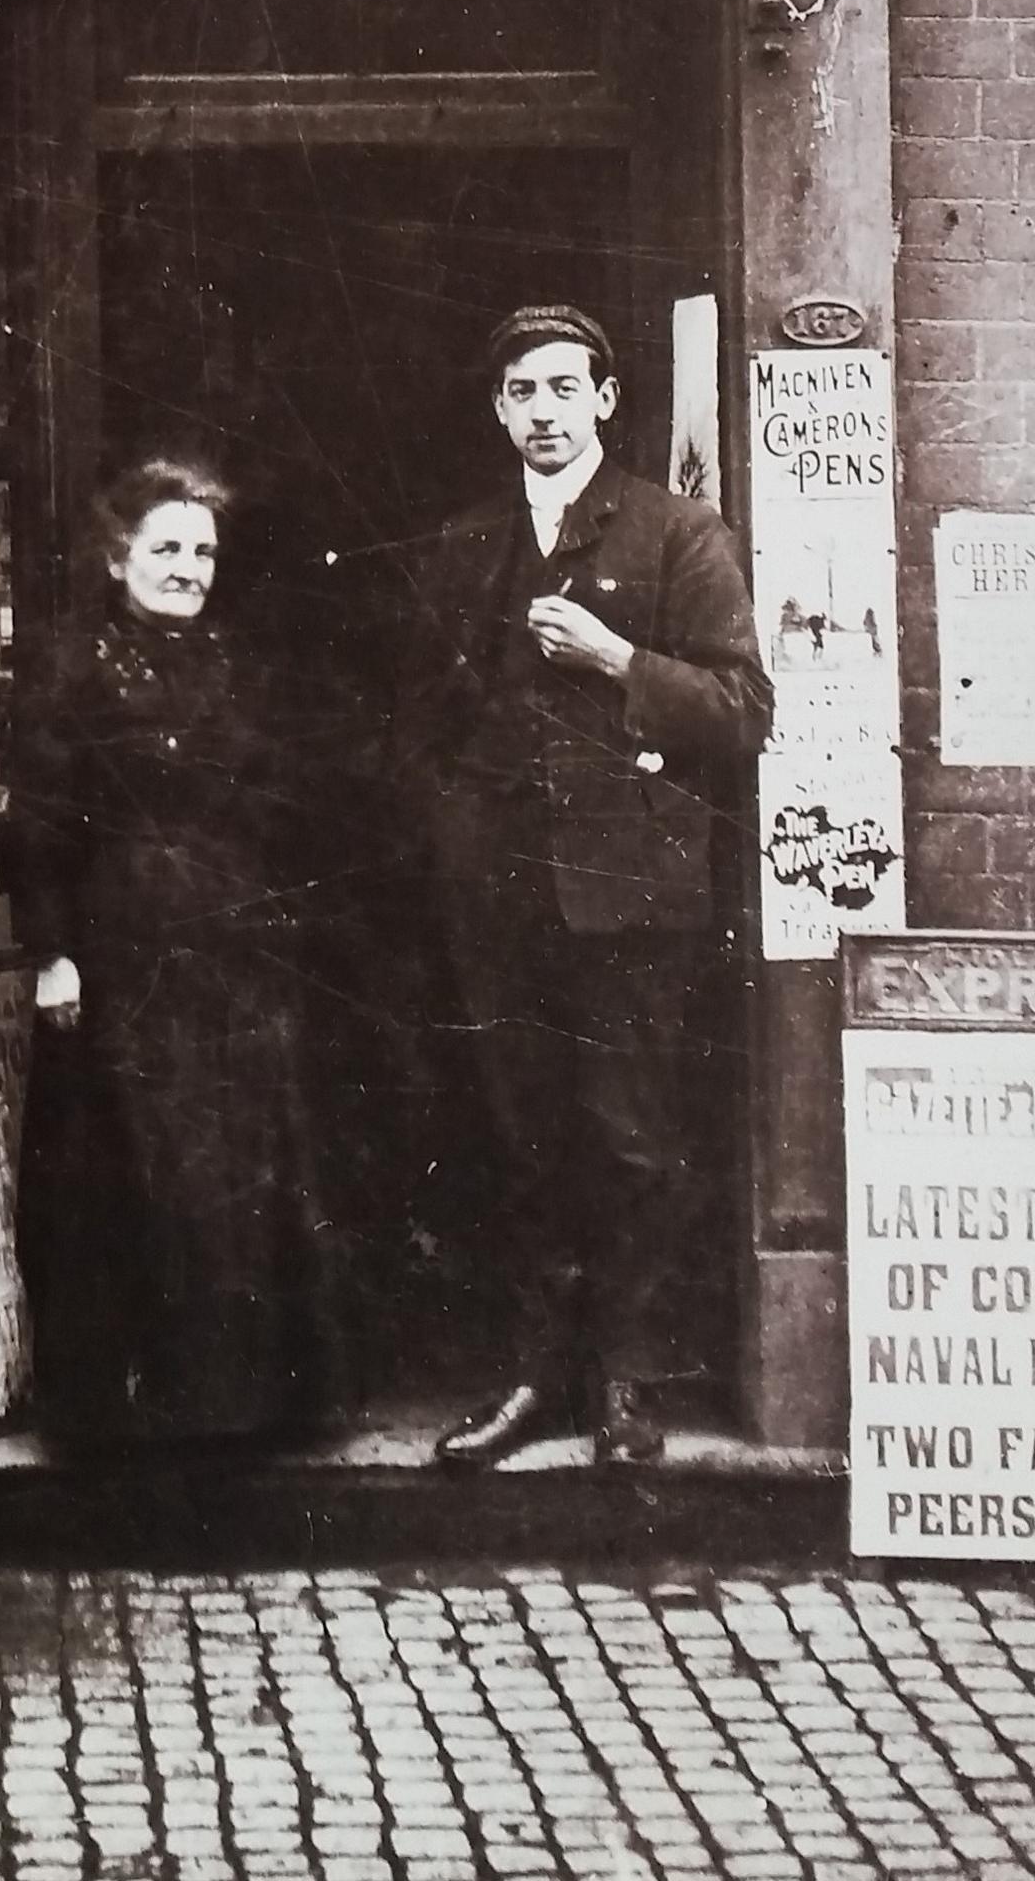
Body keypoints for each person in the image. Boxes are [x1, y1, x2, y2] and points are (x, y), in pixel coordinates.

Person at [403, 304, 770, 1469]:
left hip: (628, 896)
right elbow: (418, 721)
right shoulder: (465, 542)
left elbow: (743, 709)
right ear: (497, 409)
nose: (546, 412)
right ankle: (532, 1377)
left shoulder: (677, 533)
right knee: (520, 1134)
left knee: (628, 1138)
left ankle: (623, 1380)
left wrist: (616, 660)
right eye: (523, 392)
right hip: (500, 894)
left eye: (567, 388)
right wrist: (455, 826)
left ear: (607, 399)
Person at [11, 447, 328, 1443]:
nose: (189, 566)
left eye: (203, 549)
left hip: (232, 952)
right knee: (132, 1172)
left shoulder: (237, 661)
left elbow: (280, 797)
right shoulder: (70, 669)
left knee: (233, 1170)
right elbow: (39, 825)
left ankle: (237, 1405)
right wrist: (52, 952)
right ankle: (125, 1413)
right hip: (123, 946)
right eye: (167, 547)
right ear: (117, 557)